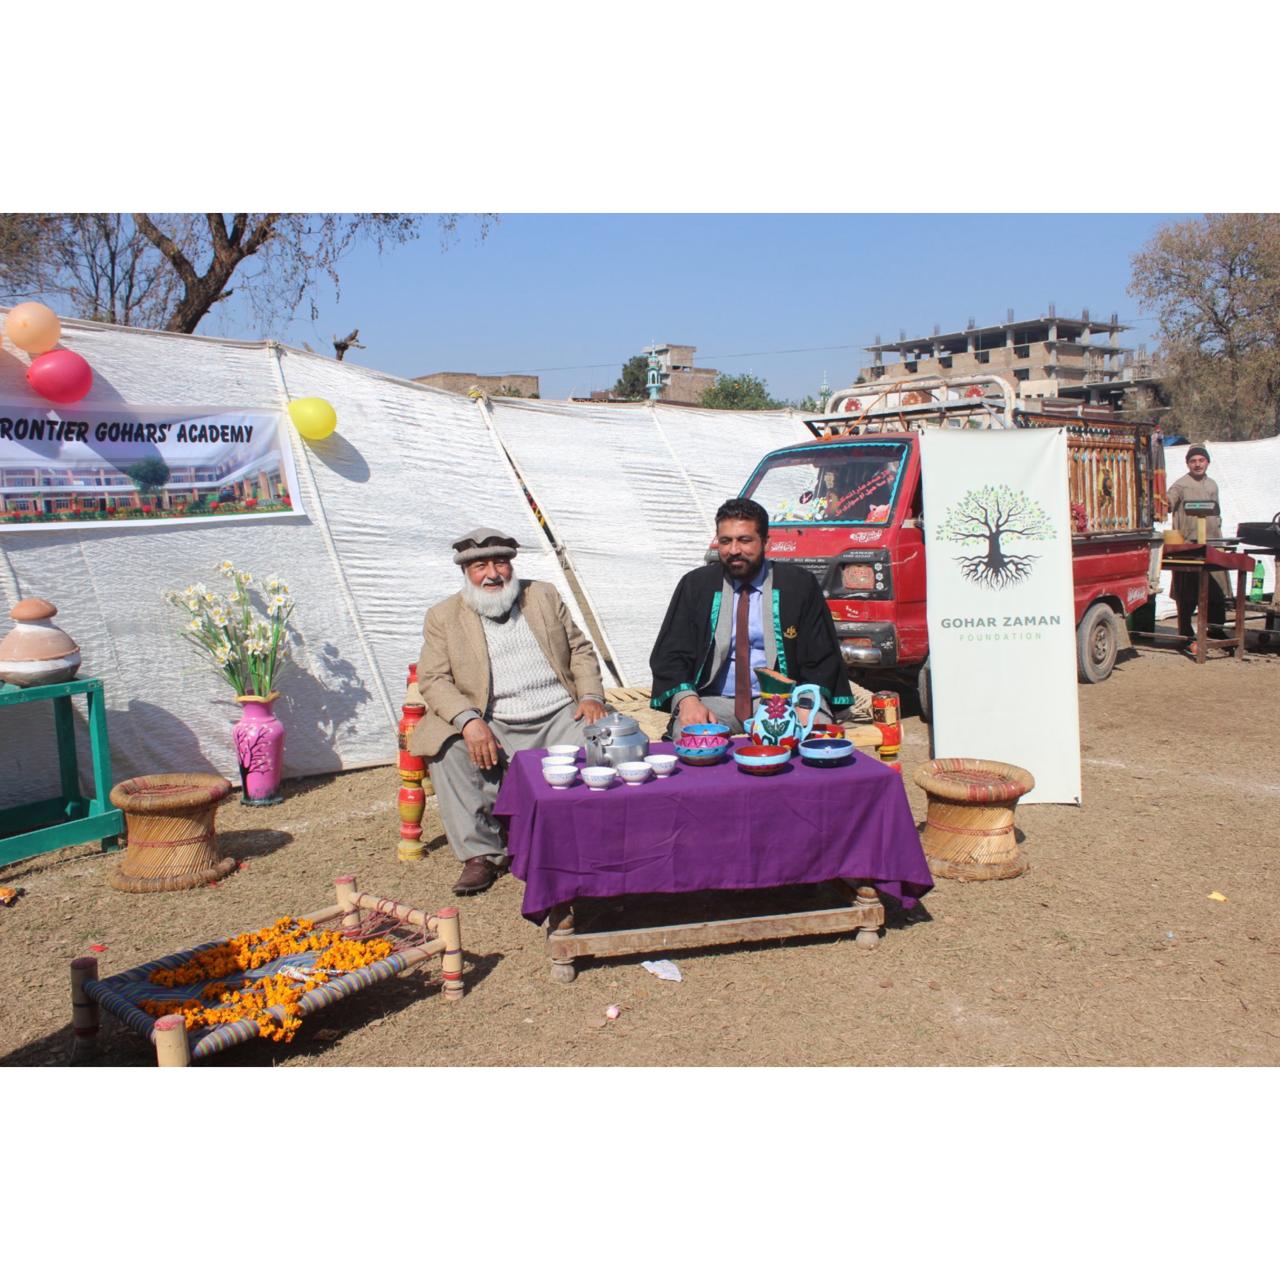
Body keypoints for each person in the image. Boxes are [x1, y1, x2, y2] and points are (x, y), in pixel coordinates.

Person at [410, 527, 607, 895]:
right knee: (448, 748)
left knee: (610, 740)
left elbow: (580, 650)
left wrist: (591, 695)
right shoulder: (443, 616)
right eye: (480, 566)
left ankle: (595, 841)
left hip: (560, 715)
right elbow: (434, 678)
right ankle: (481, 854)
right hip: (492, 721)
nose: (492, 574)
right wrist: (468, 721)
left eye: (500, 562)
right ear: (465, 572)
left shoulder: (542, 595)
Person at [649, 497, 854, 735]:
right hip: (714, 701)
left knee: (817, 734)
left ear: (766, 541)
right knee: (689, 736)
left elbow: (821, 657)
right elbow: (670, 655)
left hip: (787, 701)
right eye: (726, 541)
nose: (734, 550)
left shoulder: (798, 585)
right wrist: (687, 700)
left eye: (744, 540)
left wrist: (806, 702)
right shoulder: (696, 586)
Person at [1167, 444, 1229, 653]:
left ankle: (1216, 629)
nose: (1197, 464)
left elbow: (1216, 512)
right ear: (1187, 463)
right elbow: (1166, 502)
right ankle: (1185, 634)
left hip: (1212, 543)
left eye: (1201, 460)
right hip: (1189, 546)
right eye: (1193, 461)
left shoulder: (1212, 485)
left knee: (1217, 589)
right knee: (1187, 591)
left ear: (1207, 462)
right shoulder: (1180, 485)